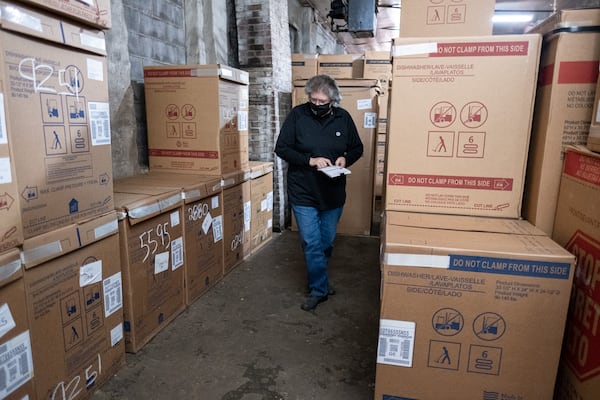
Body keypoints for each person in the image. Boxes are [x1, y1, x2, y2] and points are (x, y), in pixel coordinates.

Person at [274, 74, 363, 311]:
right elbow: (281, 148)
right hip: (303, 190)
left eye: (322, 102)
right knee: (311, 242)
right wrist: (309, 160)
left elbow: (357, 148)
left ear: (333, 101)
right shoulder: (297, 115)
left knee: (326, 241)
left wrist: (346, 158)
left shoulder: (343, 118)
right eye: (313, 101)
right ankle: (319, 290)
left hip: (332, 193)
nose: (317, 106)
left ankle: (319, 278)